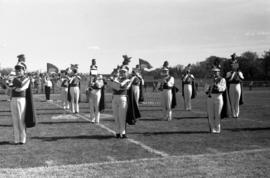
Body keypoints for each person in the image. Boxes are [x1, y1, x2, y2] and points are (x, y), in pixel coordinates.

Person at [10, 56, 35, 144]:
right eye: (17, 70)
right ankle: (16, 139)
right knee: (15, 119)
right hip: (13, 99)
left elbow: (20, 87)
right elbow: (8, 88)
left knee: (21, 119)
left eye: (20, 70)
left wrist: (13, 86)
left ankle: (23, 139)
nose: (18, 72)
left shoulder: (27, 78)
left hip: (21, 99)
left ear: (24, 70)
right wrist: (11, 86)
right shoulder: (14, 78)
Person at [109, 65, 139, 138]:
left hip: (122, 98)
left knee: (122, 117)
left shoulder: (127, 80)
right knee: (116, 117)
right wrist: (112, 80)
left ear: (126, 73)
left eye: (124, 72)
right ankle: (117, 132)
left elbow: (122, 86)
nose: (122, 73)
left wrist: (113, 81)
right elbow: (112, 86)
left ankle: (123, 132)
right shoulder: (117, 79)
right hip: (115, 98)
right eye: (121, 72)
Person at [205, 64, 226, 133]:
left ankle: (218, 128)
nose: (215, 73)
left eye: (216, 72)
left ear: (219, 72)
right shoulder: (209, 80)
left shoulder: (222, 79)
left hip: (218, 97)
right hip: (210, 97)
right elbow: (205, 90)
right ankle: (212, 128)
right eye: (213, 72)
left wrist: (216, 85)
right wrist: (210, 86)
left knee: (218, 114)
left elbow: (223, 88)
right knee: (210, 114)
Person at [226, 53, 244, 118]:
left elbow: (242, 79)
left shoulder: (239, 72)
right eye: (232, 65)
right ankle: (233, 113)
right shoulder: (228, 73)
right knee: (232, 101)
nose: (234, 66)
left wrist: (238, 74)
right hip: (231, 86)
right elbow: (228, 80)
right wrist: (232, 74)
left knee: (237, 101)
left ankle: (237, 113)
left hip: (237, 86)